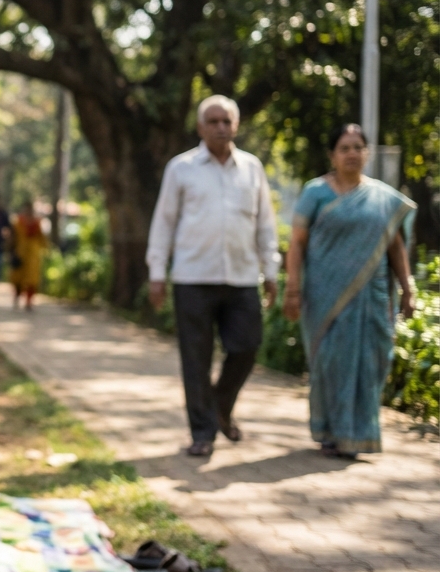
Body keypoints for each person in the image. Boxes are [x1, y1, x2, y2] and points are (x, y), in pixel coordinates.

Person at [147, 95, 279, 457]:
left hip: (241, 278)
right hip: (193, 277)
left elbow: (265, 224)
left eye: (227, 121)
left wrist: (271, 270)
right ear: (201, 127)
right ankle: (202, 432)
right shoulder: (181, 168)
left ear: (236, 126)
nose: (221, 127)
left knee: (247, 346)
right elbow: (164, 223)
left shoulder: (252, 168)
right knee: (196, 358)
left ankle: (219, 404)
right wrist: (157, 272)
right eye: (214, 121)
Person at [284, 124, 415, 458]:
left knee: (371, 362)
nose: (352, 153)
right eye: (345, 148)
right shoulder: (316, 192)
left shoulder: (383, 197)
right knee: (329, 362)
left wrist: (408, 287)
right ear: (332, 155)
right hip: (324, 295)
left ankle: (359, 433)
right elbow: (297, 243)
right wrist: (293, 289)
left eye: (358, 147)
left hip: (372, 297)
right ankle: (333, 431)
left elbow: (395, 246)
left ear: (367, 153)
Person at [7, 203, 49, 310]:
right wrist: (10, 250)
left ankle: (29, 301)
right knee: (17, 278)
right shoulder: (18, 223)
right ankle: (17, 296)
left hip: (33, 256)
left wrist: (47, 249)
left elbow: (42, 239)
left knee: (32, 279)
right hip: (20, 253)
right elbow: (12, 238)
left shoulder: (37, 223)